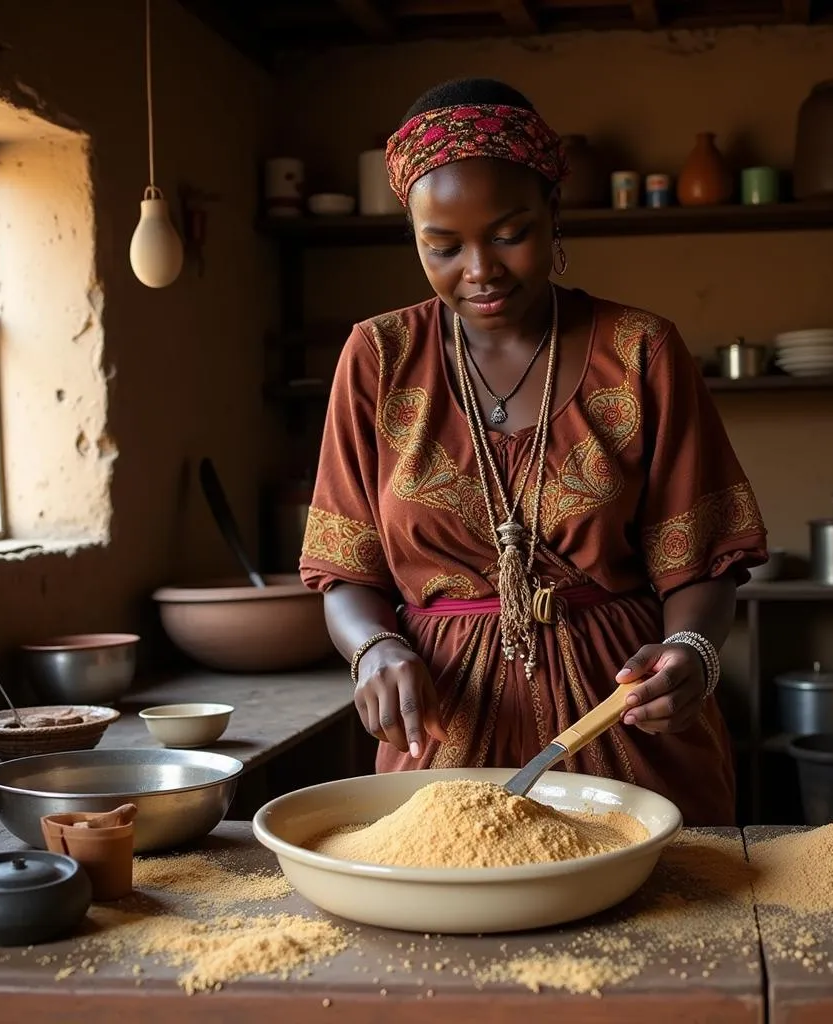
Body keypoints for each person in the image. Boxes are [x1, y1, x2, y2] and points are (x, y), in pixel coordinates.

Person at [299, 78, 768, 826]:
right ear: (413, 236)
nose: (479, 269)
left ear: (554, 216)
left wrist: (689, 651)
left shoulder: (640, 350)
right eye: (443, 246)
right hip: (443, 742)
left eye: (510, 233)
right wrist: (374, 649)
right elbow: (344, 569)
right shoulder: (379, 358)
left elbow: (703, 555)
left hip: (624, 726)